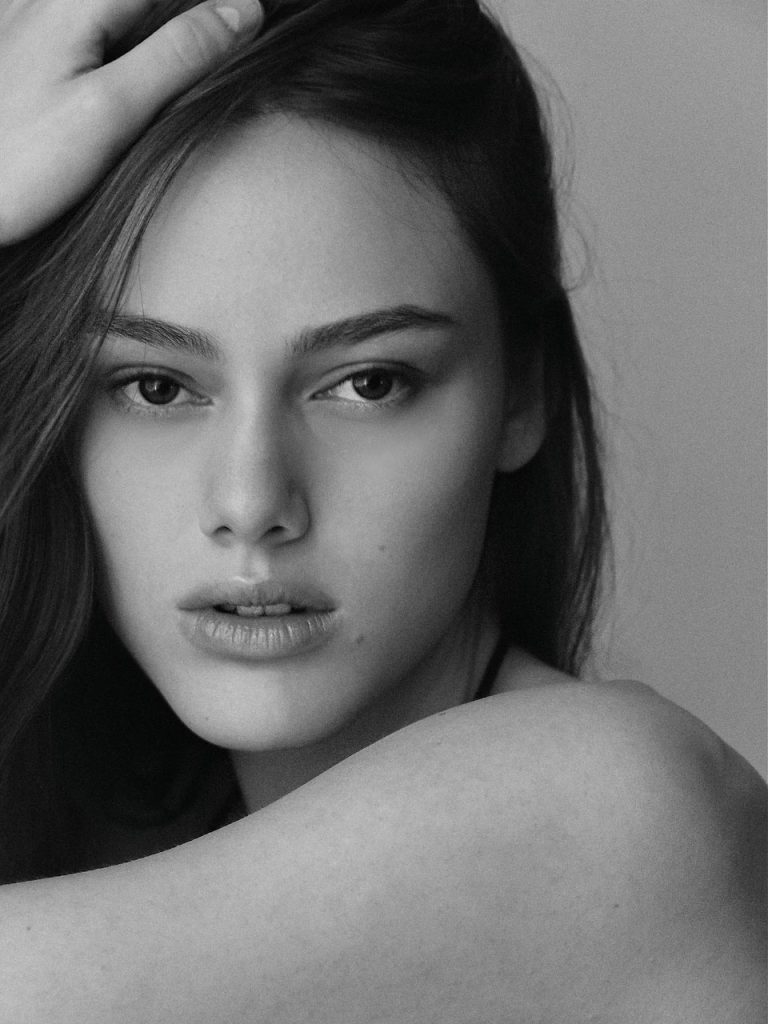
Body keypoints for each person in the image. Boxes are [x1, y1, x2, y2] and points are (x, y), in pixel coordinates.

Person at [0, 0, 764, 1021]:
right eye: (156, 386)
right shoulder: (130, 833)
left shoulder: (618, 808)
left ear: (523, 392)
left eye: (367, 383)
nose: (250, 504)